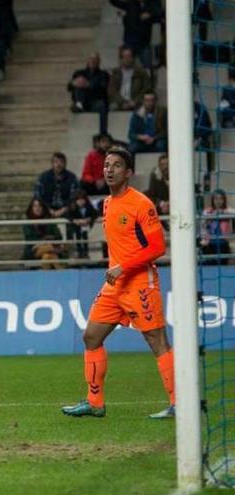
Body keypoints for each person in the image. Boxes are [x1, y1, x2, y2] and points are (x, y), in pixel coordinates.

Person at [62, 146, 174, 419]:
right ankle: (95, 402)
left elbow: (158, 246)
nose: (109, 170)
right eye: (106, 165)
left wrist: (123, 266)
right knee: (91, 337)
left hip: (139, 284)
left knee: (157, 341)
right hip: (115, 286)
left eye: (116, 166)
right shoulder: (107, 203)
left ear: (129, 172)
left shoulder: (141, 203)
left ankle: (178, 403)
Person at [68, 53, 109, 132]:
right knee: (79, 83)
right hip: (81, 99)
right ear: (87, 60)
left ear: (98, 61)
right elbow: (69, 87)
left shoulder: (103, 74)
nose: (92, 61)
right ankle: (79, 104)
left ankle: (103, 132)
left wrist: (88, 85)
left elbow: (102, 89)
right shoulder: (79, 73)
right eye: (91, 59)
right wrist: (74, 83)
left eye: (95, 59)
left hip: (95, 101)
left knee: (102, 105)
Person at [22, 198, 65, 269]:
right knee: (49, 249)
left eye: (39, 206)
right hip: (34, 250)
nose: (37, 208)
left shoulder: (49, 220)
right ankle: (62, 273)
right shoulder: (27, 222)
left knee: (47, 256)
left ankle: (47, 277)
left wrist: (46, 240)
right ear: (31, 208)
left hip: (48, 249)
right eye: (35, 206)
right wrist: (45, 239)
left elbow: (58, 236)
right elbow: (30, 239)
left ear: (43, 207)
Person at [33, 152, 78, 218]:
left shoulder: (72, 177)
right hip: (47, 207)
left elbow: (74, 196)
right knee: (36, 205)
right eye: (56, 162)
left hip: (66, 208)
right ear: (52, 163)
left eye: (61, 162)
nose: (58, 164)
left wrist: (63, 210)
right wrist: (48, 209)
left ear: (65, 164)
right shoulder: (43, 177)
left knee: (75, 204)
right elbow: (37, 195)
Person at [107, 46, 151, 111]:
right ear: (121, 59)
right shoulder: (115, 73)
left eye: (129, 56)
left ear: (133, 58)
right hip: (119, 103)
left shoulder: (141, 73)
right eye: (125, 57)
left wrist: (135, 101)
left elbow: (147, 89)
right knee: (112, 107)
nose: (127, 59)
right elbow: (112, 90)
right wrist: (122, 102)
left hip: (136, 102)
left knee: (145, 107)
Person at [201, 190, 234, 265]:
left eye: (221, 198)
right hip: (209, 245)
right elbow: (203, 225)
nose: (218, 201)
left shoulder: (227, 210)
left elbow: (233, 211)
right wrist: (214, 214)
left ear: (224, 200)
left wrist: (223, 212)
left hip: (223, 244)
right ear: (212, 200)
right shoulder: (207, 211)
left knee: (222, 265)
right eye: (216, 198)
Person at [66, 189, 99, 259]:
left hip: (86, 228)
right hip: (77, 228)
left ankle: (86, 254)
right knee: (78, 240)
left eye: (82, 200)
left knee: (85, 240)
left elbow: (95, 214)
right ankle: (79, 254)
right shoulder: (72, 207)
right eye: (79, 200)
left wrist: (89, 219)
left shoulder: (89, 207)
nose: (80, 202)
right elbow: (68, 216)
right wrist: (75, 221)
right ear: (75, 200)